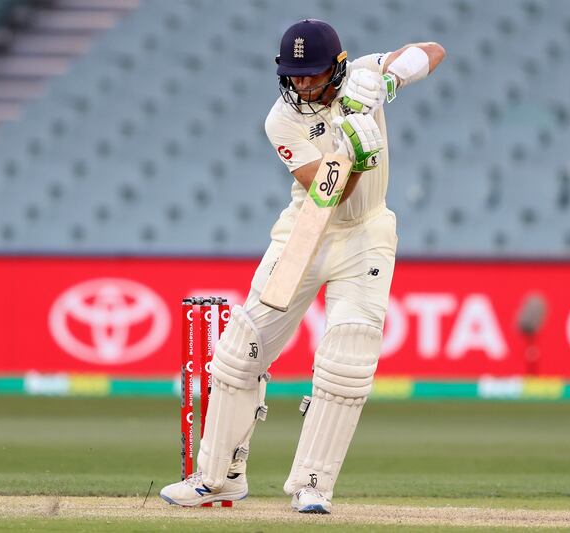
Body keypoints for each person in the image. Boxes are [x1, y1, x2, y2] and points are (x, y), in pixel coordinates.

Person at [161, 18, 445, 513]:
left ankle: (313, 484)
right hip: (306, 230)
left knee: (347, 359)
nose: (303, 85)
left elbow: (432, 49)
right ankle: (216, 477)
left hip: (367, 238)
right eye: (294, 76)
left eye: (312, 75)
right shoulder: (281, 120)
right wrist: (354, 155)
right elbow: (325, 194)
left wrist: (387, 79)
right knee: (239, 349)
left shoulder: (360, 76)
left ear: (337, 66)